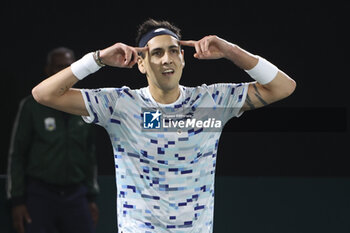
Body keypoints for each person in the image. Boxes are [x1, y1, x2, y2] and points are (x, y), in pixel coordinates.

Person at [32, 19, 296, 233]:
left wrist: (229, 50)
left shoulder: (211, 103)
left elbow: (284, 87)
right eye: (156, 53)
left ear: (183, 58)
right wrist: (98, 59)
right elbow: (44, 94)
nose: (166, 59)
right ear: (141, 64)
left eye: (173, 51)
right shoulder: (121, 106)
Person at [7, 47, 99, 233]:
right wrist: (17, 201)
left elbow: (90, 155)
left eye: (69, 66)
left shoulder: (85, 105)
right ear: (48, 71)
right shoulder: (32, 106)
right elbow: (17, 155)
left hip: (76, 195)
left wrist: (90, 197)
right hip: (41, 194)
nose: (64, 71)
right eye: (59, 67)